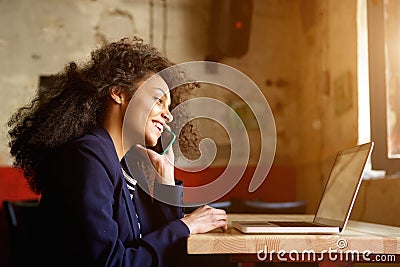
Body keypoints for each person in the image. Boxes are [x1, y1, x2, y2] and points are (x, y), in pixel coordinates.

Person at [7, 37, 228, 267]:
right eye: (158, 100)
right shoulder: (87, 157)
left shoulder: (125, 164)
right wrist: (186, 226)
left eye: (169, 106)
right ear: (118, 93)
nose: (168, 114)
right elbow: (112, 263)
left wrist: (166, 183)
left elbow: (160, 253)